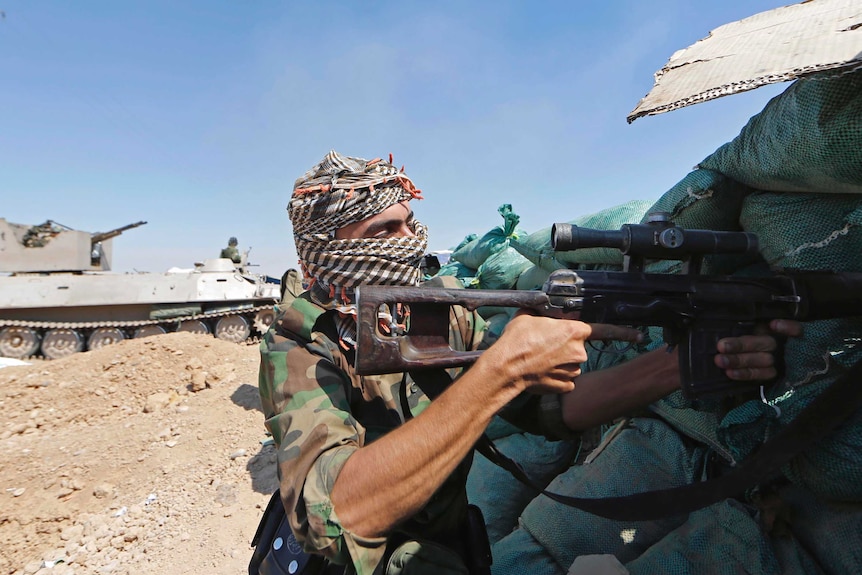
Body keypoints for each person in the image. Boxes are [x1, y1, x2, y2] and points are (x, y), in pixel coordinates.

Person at [257, 150, 792, 575]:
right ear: (324, 248)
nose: (409, 242)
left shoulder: (436, 315)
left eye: (408, 223)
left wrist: (677, 366)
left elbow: (544, 413)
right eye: (383, 232)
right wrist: (499, 370)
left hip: (445, 553)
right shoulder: (301, 344)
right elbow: (339, 517)